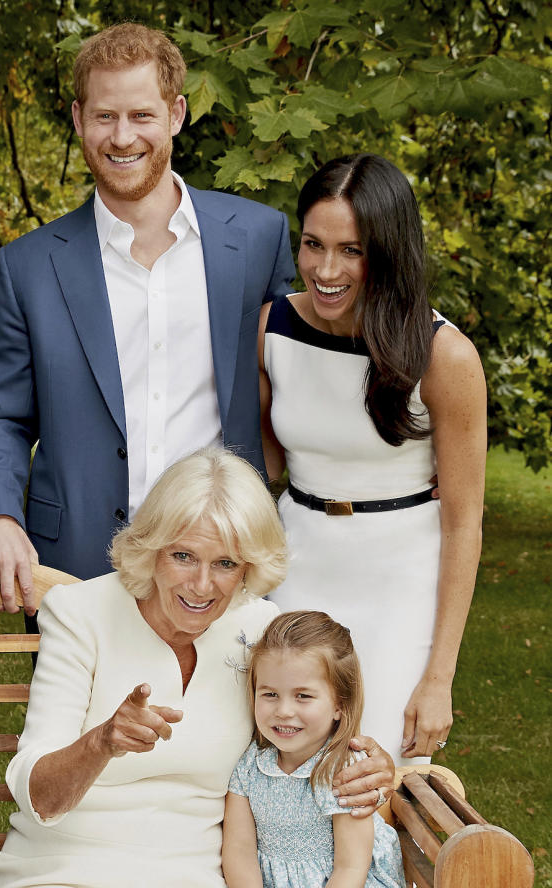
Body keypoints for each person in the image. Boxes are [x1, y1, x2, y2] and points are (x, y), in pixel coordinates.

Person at [0, 22, 295, 612]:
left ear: (176, 114)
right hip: (75, 564)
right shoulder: (30, 265)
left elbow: (295, 380)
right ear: (77, 118)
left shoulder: (256, 239)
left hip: (225, 563)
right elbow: (5, 418)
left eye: (142, 115)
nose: (122, 137)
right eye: (104, 116)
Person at [0, 448, 395, 888]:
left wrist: (374, 767)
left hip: (195, 874)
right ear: (153, 547)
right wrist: (102, 742)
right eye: (183, 556)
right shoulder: (80, 613)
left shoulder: (260, 630)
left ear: (248, 568)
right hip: (62, 868)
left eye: (225, 563)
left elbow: (312, 741)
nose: (202, 586)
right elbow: (39, 798)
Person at [259, 153, 486, 763]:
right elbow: (264, 469)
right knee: (281, 766)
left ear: (387, 251)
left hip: (400, 583)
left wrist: (438, 678)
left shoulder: (444, 356)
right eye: (312, 244)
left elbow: (464, 522)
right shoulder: (272, 329)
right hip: (296, 569)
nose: (325, 270)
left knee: (373, 777)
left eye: (351, 250)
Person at [222, 610, 404, 888]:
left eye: (303, 696)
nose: (283, 711)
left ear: (339, 704)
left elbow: (351, 866)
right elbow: (239, 851)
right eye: (270, 694)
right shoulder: (250, 767)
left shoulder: (343, 771)